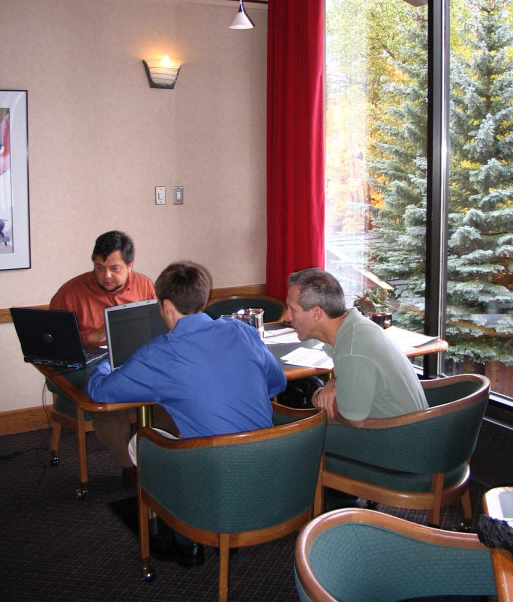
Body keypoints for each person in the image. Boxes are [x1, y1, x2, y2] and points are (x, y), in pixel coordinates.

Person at [87, 261, 287, 566]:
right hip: (273, 466)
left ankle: (185, 540)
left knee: (142, 442)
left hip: (215, 475)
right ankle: (220, 531)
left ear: (166, 306)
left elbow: (100, 392)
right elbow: (277, 382)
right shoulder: (241, 331)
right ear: (203, 300)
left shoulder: (160, 353)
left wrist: (106, 363)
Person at [49, 230, 156, 481]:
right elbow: (53, 342)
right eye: (99, 267)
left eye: (115, 268)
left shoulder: (144, 285)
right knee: (106, 405)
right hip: (91, 365)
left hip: (135, 360)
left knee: (169, 396)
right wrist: (92, 336)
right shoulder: (71, 292)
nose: (106, 275)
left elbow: (156, 328)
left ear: (130, 265)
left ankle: (159, 456)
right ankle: (132, 467)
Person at [285, 267, 427, 425]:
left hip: (395, 437)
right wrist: (335, 382)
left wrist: (317, 396)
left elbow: (353, 420)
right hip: (409, 428)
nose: (287, 317)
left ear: (317, 313)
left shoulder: (352, 349)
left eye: (293, 310)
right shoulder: (357, 326)